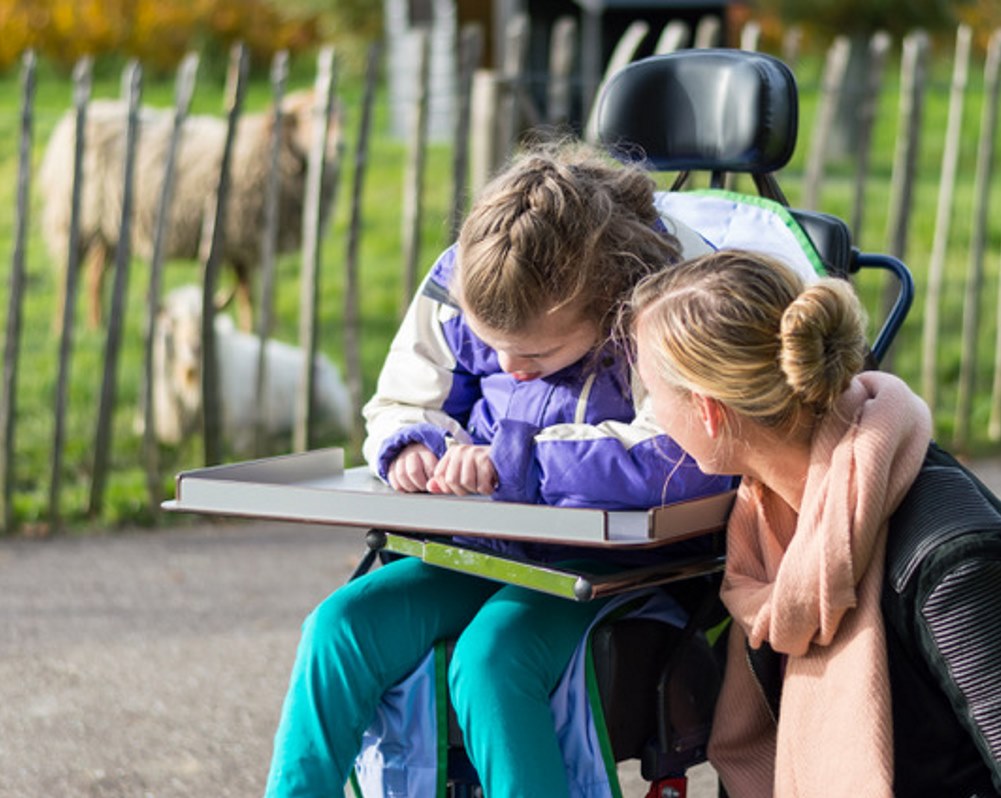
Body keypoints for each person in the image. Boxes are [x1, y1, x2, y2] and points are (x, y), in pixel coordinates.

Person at [263, 141, 735, 798]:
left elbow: (686, 454)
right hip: (480, 546)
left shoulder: (668, 297)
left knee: (492, 659)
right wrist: (411, 445)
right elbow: (403, 395)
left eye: (536, 352)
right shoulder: (477, 267)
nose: (509, 367)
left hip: (608, 566)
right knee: (339, 628)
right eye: (492, 347)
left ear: (607, 304)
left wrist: (521, 463)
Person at [631, 248, 1001, 798]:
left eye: (651, 393)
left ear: (708, 411)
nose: (651, 413)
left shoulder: (948, 558)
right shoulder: (765, 528)